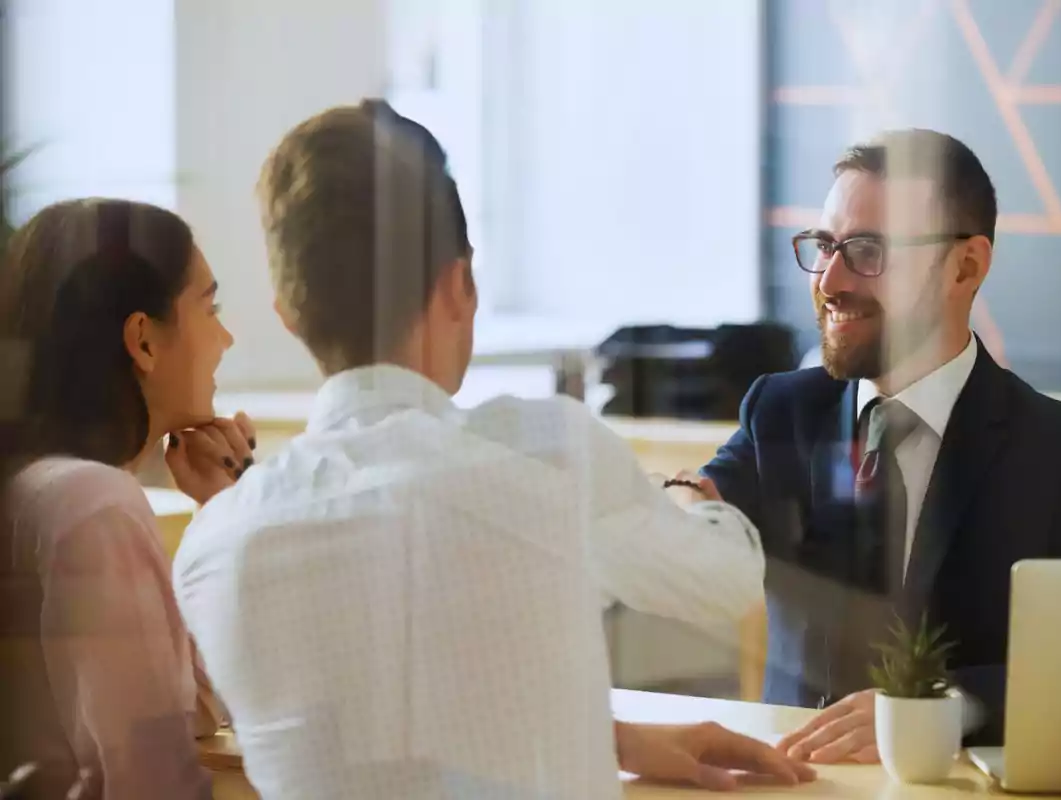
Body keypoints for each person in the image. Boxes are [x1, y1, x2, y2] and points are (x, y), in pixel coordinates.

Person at [172, 100, 814, 799]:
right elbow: (727, 582)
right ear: (459, 284)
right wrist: (688, 497)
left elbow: (380, 729)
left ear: (289, 316)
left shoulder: (214, 547)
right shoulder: (547, 455)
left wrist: (617, 740)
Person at [701, 129, 1061, 761]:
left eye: (866, 250)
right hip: (791, 780)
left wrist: (939, 706)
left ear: (965, 266)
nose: (830, 279)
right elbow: (706, 506)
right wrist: (680, 500)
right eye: (825, 246)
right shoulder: (779, 410)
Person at [0, 199, 256, 798]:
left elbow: (191, 710)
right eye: (209, 307)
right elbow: (151, 778)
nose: (226, 337)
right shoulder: (96, 504)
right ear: (142, 339)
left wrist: (218, 515)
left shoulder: (42, 487)